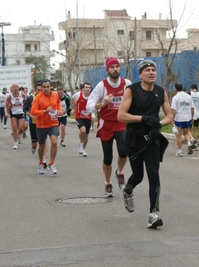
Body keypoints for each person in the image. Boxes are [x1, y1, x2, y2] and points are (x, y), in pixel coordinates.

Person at [117, 60, 173, 228]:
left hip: (152, 138)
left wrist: (160, 124)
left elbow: (170, 115)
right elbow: (121, 115)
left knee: (154, 175)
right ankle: (128, 190)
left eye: (153, 70)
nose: (151, 73)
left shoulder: (161, 92)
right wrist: (144, 118)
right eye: (147, 70)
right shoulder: (131, 90)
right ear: (140, 74)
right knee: (139, 175)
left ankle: (153, 213)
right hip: (134, 138)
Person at [87, 57, 131, 197]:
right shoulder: (102, 86)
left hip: (121, 122)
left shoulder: (127, 84)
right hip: (105, 124)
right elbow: (89, 107)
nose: (115, 69)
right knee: (107, 158)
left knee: (124, 151)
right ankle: (107, 184)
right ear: (107, 69)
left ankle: (119, 172)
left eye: (117, 66)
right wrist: (103, 104)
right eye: (112, 67)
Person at [30, 79, 63, 175]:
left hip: (53, 123)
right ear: (42, 88)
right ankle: (41, 162)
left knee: (54, 142)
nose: (46, 89)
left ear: (50, 87)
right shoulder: (38, 98)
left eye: (48, 87)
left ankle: (52, 163)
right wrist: (44, 111)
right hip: (41, 125)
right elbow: (33, 111)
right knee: (41, 146)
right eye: (44, 87)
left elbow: (58, 104)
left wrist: (60, 110)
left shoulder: (55, 95)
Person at [23, 81, 49, 166]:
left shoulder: (47, 98)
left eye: (41, 90)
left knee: (43, 142)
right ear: (35, 90)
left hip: (43, 123)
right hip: (33, 123)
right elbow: (25, 110)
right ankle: (33, 146)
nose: (40, 92)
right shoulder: (30, 98)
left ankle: (44, 159)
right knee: (35, 142)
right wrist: (31, 116)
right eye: (38, 90)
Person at [171, 82, 194, 157]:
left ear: (175, 88)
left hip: (179, 118)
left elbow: (174, 110)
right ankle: (189, 144)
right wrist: (192, 117)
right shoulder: (188, 96)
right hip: (187, 118)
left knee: (178, 135)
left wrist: (172, 119)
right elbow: (192, 107)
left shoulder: (175, 98)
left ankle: (180, 151)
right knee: (186, 133)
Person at [71, 82, 92, 157]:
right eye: (86, 87)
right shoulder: (78, 95)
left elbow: (94, 105)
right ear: (83, 89)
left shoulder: (92, 96)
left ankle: (83, 149)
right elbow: (72, 99)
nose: (88, 89)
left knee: (86, 135)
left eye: (89, 87)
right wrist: (73, 108)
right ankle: (81, 143)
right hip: (79, 116)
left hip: (88, 117)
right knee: (83, 130)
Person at [4, 83, 26, 149]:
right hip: (13, 113)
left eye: (17, 87)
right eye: (14, 87)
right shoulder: (9, 96)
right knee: (14, 127)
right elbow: (5, 106)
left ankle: (19, 135)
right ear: (12, 88)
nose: (16, 88)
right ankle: (15, 143)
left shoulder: (22, 94)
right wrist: (6, 113)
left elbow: (25, 102)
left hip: (21, 112)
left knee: (21, 128)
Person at [188, 83, 199, 150]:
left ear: (191, 88)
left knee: (188, 130)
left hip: (190, 114)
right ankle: (195, 146)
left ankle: (190, 143)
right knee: (195, 130)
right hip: (197, 114)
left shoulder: (189, 94)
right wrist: (198, 106)